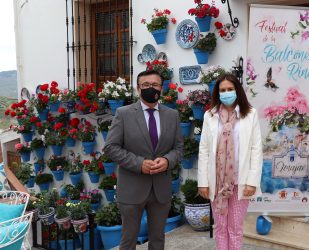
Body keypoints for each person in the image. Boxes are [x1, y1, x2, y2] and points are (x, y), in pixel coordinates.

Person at [104, 69, 183, 250]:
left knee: (157, 241)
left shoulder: (172, 115)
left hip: (160, 190)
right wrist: (139, 164)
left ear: (161, 89)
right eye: (146, 85)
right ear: (138, 88)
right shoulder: (123, 114)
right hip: (132, 189)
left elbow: (178, 148)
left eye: (155, 85)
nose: (151, 88)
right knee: (128, 241)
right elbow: (111, 147)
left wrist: (167, 161)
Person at [197, 73, 263, 250]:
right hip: (216, 182)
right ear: (217, 93)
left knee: (235, 227)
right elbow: (203, 150)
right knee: (219, 227)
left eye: (230, 89)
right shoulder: (210, 116)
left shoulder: (250, 115)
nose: (226, 93)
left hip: (240, 181)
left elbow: (256, 150)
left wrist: (252, 181)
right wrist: (203, 182)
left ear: (237, 91)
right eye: (222, 90)